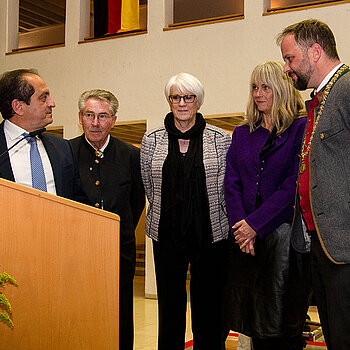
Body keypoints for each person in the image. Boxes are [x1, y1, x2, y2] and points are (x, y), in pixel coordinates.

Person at [222, 61, 310, 350]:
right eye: (254, 87)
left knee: (283, 323)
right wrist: (241, 228)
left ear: (282, 89)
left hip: (282, 241)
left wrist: (254, 225)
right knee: (253, 324)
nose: (259, 94)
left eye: (266, 87)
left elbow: (293, 185)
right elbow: (232, 183)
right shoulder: (242, 134)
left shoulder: (300, 128)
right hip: (245, 243)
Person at [141, 73, 231, 350]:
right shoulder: (151, 140)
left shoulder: (220, 139)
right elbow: (148, 183)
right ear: (169, 101)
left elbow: (228, 186)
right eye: (175, 97)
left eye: (188, 97)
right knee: (169, 305)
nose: (181, 103)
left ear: (198, 101)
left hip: (210, 234)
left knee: (208, 306)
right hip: (166, 235)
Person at [277, 19, 350, 350]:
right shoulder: (321, 99)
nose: (287, 68)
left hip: (344, 246)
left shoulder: (347, 89)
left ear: (315, 52)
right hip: (322, 246)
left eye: (290, 58)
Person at [70, 89, 145, 350]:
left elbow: (136, 203)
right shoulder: (66, 152)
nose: (95, 122)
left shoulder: (131, 155)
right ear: (80, 117)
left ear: (113, 120)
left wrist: (119, 232)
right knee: (80, 314)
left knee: (121, 313)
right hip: (76, 253)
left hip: (119, 253)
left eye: (103, 116)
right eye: (89, 115)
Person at [0, 68, 85, 201]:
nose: (52, 104)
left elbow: (79, 200)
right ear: (18, 106)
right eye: (43, 98)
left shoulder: (63, 147)